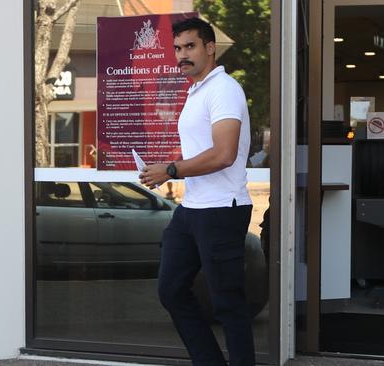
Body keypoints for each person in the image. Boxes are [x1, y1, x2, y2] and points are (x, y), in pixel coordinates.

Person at [139, 17, 255, 366]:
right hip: (193, 208)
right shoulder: (197, 91)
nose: (182, 55)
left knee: (227, 302)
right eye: (177, 48)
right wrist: (169, 167)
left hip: (222, 208)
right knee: (171, 290)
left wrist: (171, 169)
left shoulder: (224, 90)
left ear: (209, 48)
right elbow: (202, 151)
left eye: (190, 46)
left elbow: (224, 154)